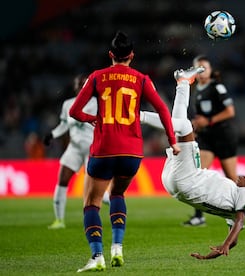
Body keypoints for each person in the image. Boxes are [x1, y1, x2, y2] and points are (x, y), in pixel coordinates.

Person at [69, 31, 179, 272]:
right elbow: (162, 110)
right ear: (132, 55)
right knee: (117, 194)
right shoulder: (141, 79)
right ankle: (117, 247)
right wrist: (172, 141)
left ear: (111, 55)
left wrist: (92, 119)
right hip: (131, 152)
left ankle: (97, 256)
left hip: (104, 149)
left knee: (92, 203)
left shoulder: (97, 77)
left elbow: (74, 111)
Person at [140, 66, 245, 259]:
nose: (243, 176)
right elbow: (234, 238)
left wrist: (225, 244)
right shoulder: (233, 210)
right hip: (174, 184)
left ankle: (136, 116)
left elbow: (240, 222)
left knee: (184, 126)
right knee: (179, 126)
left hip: (188, 178)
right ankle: (183, 83)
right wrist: (209, 256)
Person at [183, 55, 245, 227]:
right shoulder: (196, 90)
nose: (201, 72)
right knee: (200, 173)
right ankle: (199, 216)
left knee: (232, 177)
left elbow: (230, 111)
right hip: (207, 137)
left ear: (210, 71)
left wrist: (208, 121)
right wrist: (198, 125)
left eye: (204, 68)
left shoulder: (217, 87)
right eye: (198, 68)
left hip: (224, 136)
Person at [44, 74, 110, 230]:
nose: (81, 86)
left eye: (84, 84)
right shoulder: (68, 105)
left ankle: (116, 205)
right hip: (74, 148)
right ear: (74, 87)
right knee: (62, 180)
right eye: (79, 84)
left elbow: (99, 121)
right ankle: (59, 220)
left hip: (92, 149)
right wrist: (52, 134)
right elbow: (64, 125)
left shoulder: (97, 102)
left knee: (94, 189)